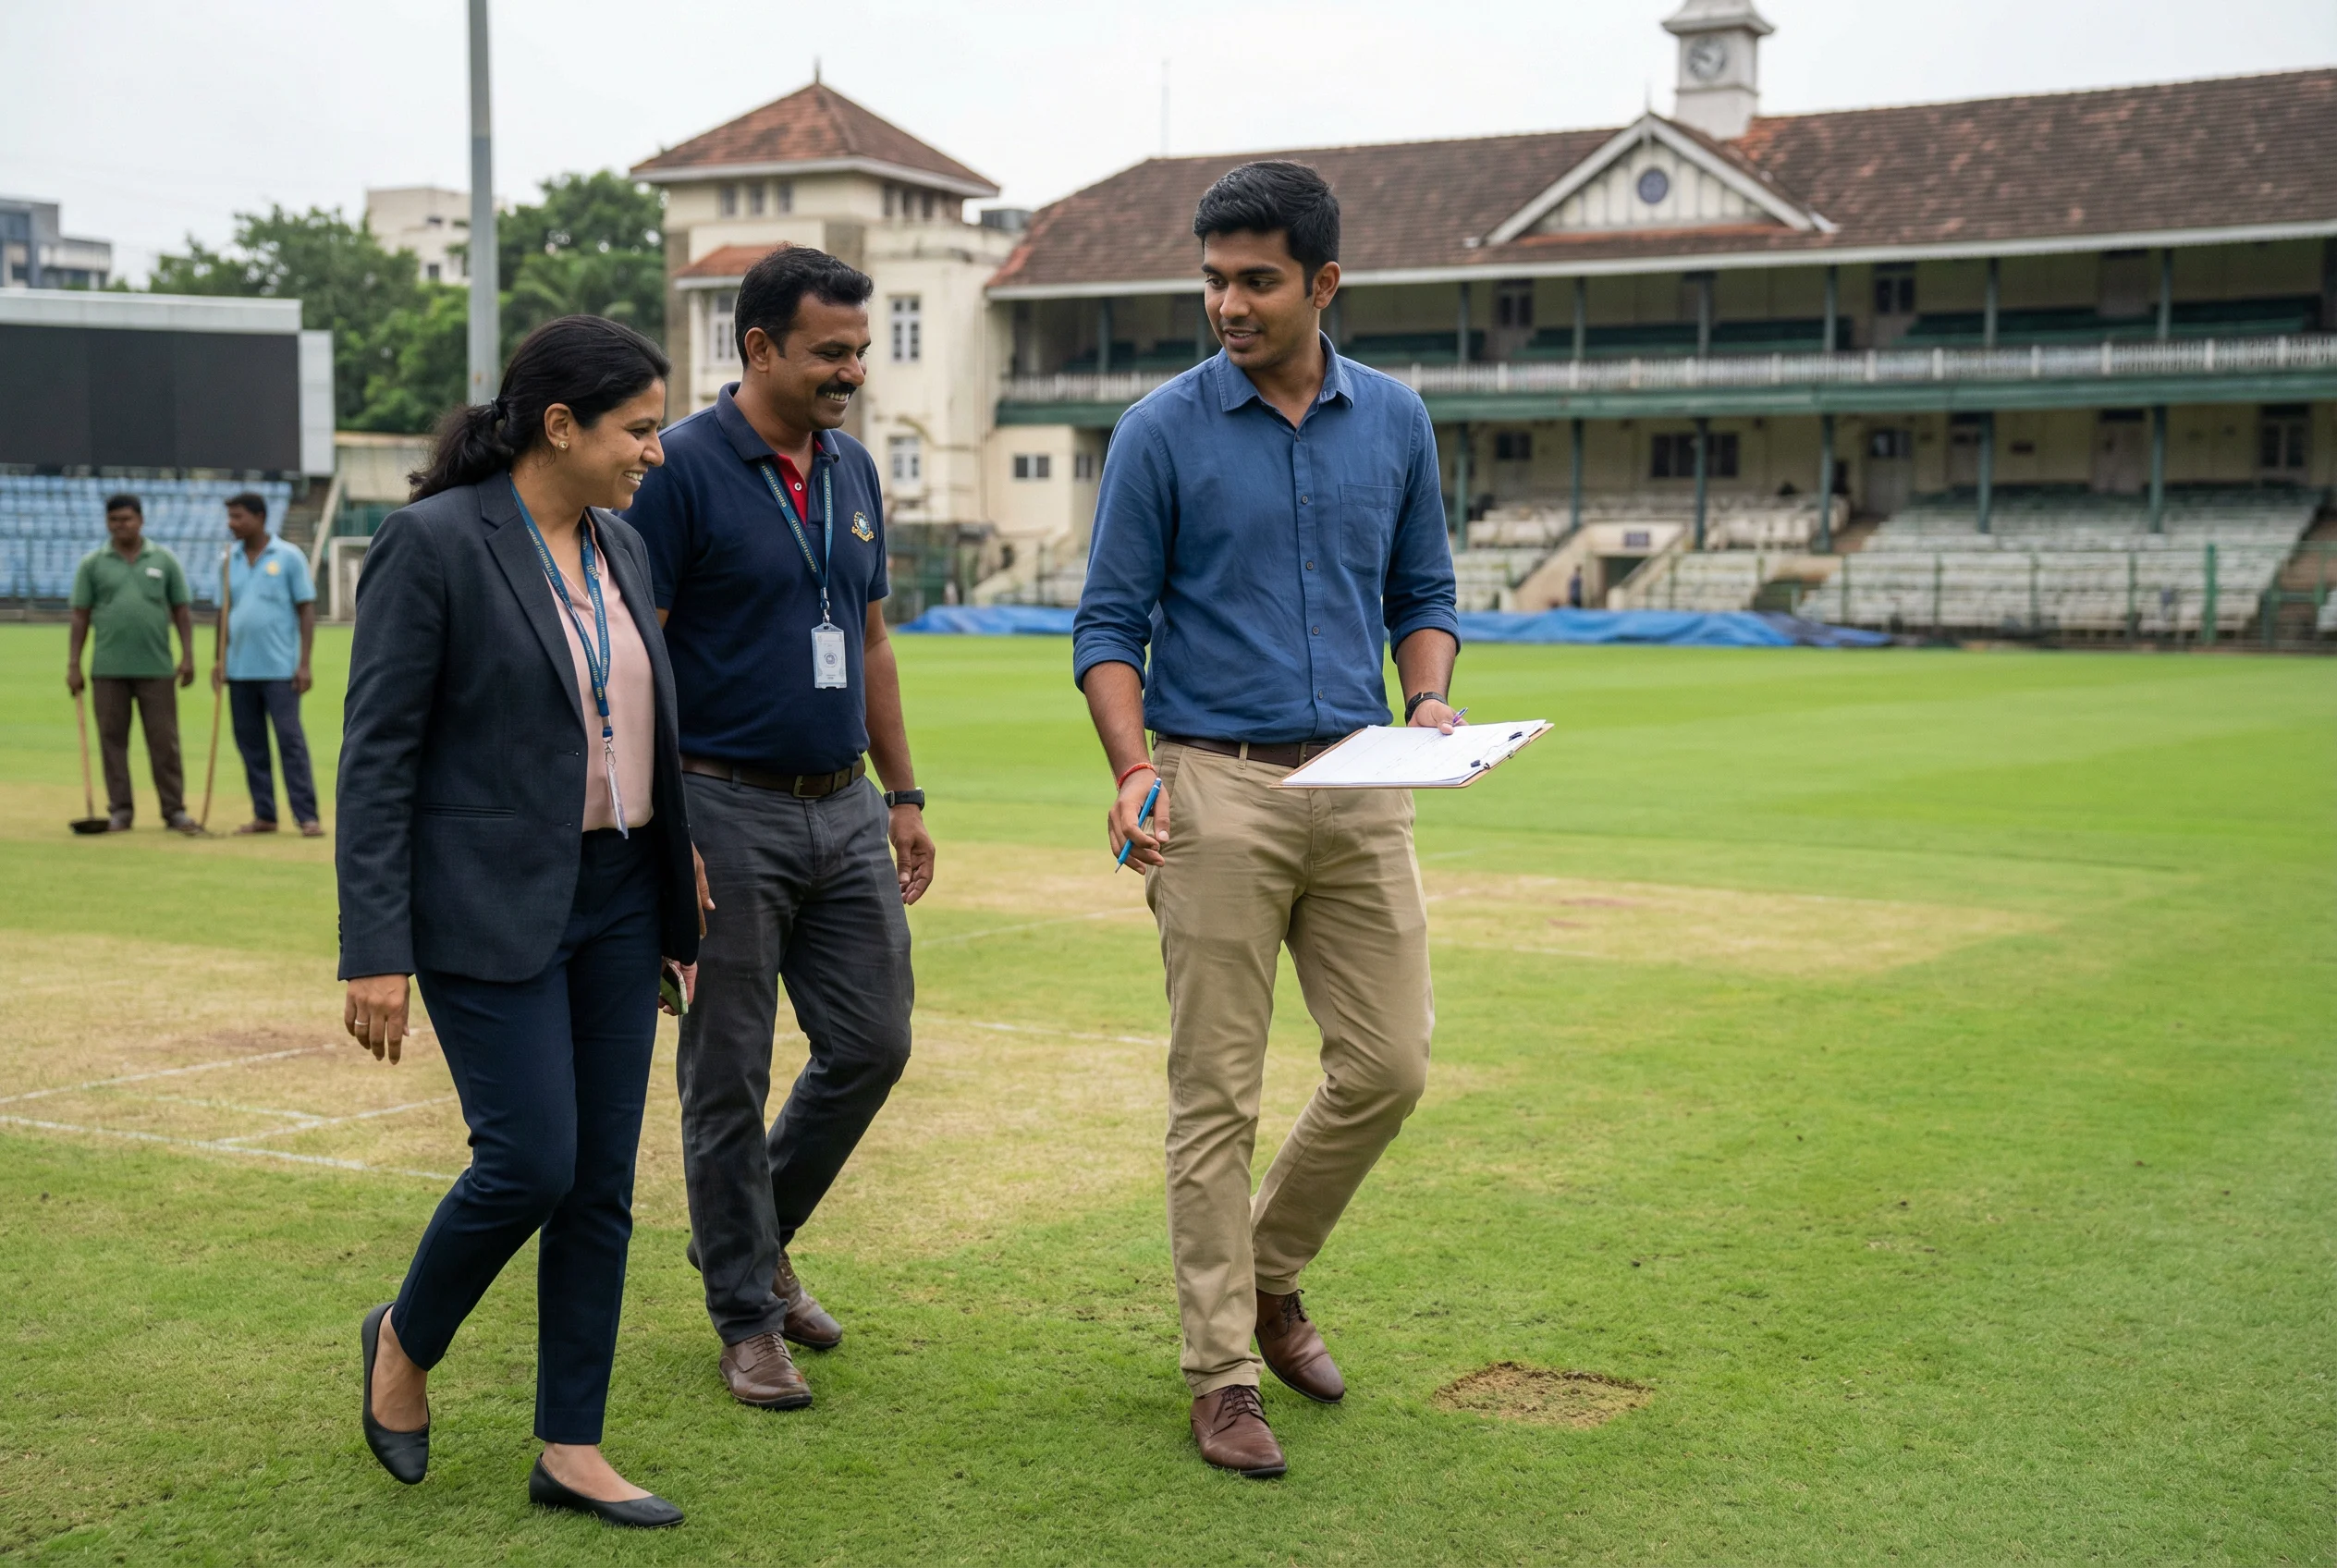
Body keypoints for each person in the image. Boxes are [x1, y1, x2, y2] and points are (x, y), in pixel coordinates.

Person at [1071, 161, 1462, 1479]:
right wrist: (1133, 770)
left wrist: (1432, 698)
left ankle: (1272, 1276)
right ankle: (1222, 1371)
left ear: (1324, 284)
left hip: (1364, 777)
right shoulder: (1159, 431)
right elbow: (1109, 627)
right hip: (1214, 780)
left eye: (1256, 280)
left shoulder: (1396, 421)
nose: (1226, 304)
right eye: (1213, 280)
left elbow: (1425, 588)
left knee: (1390, 1065)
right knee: (1215, 1094)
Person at [337, 315, 704, 1528]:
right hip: (486, 908)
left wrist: (672, 874)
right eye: (639, 430)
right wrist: (375, 947)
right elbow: (377, 759)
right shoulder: (433, 544)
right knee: (531, 1162)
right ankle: (404, 1336)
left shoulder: (625, 549)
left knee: (599, 1185)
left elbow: (639, 722)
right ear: (561, 426)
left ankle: (572, 1446)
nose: (656, 452)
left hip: (615, 899)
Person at [623, 243, 933, 1411]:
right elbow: (639, 659)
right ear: (757, 347)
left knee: (872, 1043)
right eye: (830, 351)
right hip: (722, 808)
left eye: (859, 350)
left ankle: (742, 1240)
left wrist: (902, 797)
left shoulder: (851, 468)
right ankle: (746, 1316)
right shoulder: (680, 469)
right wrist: (668, 831)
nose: (852, 371)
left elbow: (870, 641)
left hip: (843, 807)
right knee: (727, 1072)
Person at [66, 495, 200, 833]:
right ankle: (120, 810)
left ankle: (174, 810)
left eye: (126, 519)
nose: (120, 526)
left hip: (157, 669)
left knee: (164, 743)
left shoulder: (164, 560)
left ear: (140, 520)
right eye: (113, 520)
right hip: (107, 669)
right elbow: (80, 616)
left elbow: (181, 611)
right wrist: (73, 664)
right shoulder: (93, 563)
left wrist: (187, 655)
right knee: (112, 742)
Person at [214, 490, 323, 836]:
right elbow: (224, 612)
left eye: (238, 517)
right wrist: (220, 660)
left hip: (279, 670)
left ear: (259, 517)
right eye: (229, 517)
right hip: (239, 670)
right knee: (250, 744)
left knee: (290, 742)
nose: (232, 524)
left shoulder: (289, 557)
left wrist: (304, 663)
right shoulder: (228, 559)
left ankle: (307, 816)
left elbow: (306, 610)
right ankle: (265, 815)